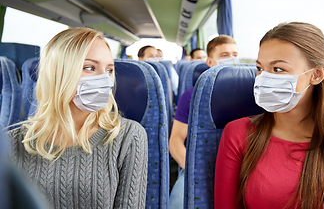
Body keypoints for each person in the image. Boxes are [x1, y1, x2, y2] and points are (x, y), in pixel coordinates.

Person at [214, 22, 324, 209]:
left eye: (278, 69)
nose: (263, 78)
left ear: (316, 75)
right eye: (260, 68)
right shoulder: (238, 134)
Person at [7, 28, 148, 209]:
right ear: (59, 73)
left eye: (109, 70)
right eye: (90, 67)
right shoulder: (11, 142)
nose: (105, 79)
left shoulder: (128, 136)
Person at [169, 35, 239, 208]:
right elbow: (176, 141)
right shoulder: (193, 95)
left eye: (235, 54)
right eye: (224, 55)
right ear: (210, 61)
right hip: (199, 166)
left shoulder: (253, 94)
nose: (232, 59)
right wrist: (195, 168)